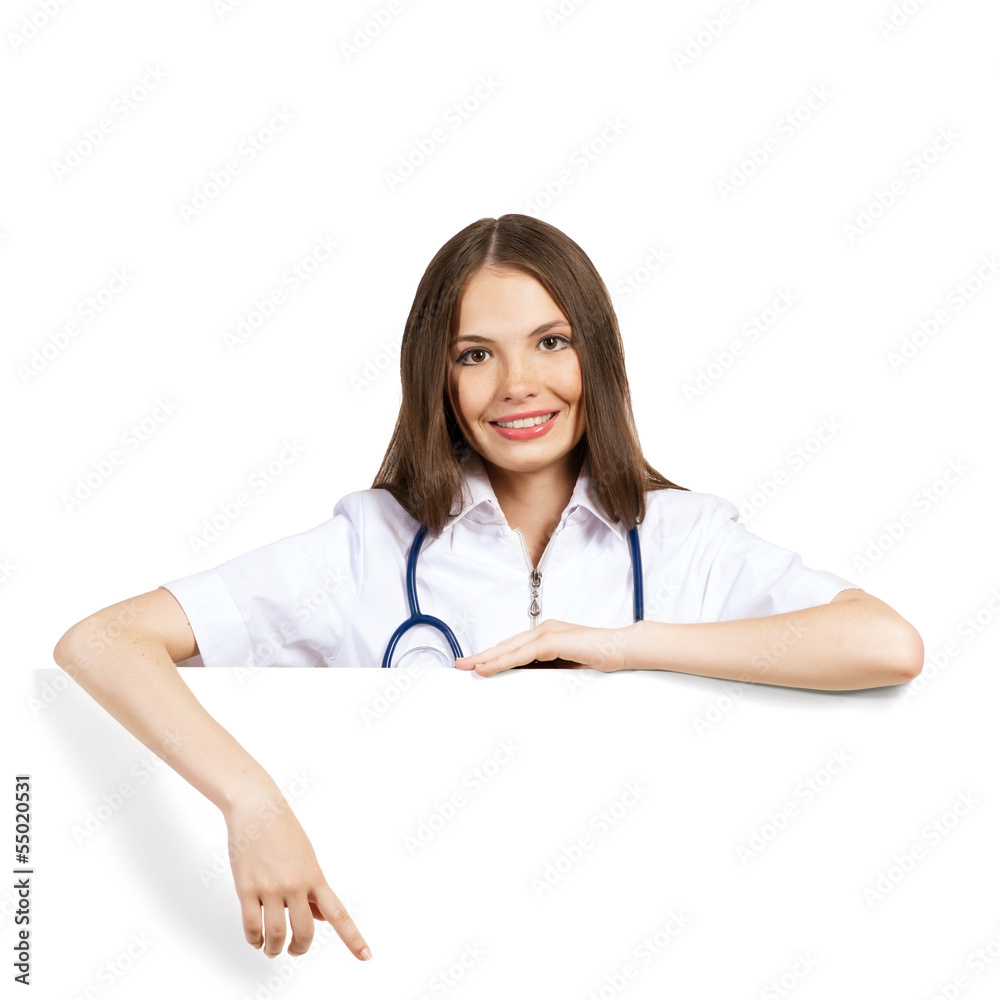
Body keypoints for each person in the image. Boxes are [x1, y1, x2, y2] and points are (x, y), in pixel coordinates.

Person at [53, 213, 924, 960]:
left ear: (598, 357)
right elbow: (101, 641)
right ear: (438, 375)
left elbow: (885, 643)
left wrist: (616, 646)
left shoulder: (686, 539)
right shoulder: (368, 545)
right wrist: (250, 800)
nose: (519, 386)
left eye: (552, 342)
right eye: (477, 354)